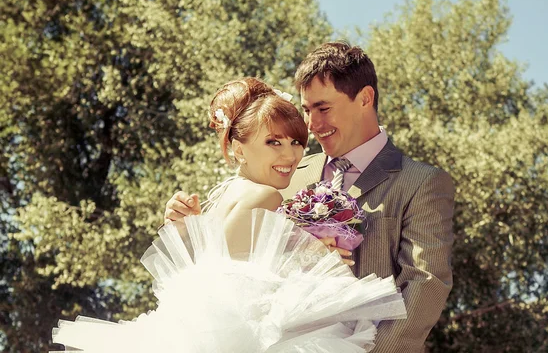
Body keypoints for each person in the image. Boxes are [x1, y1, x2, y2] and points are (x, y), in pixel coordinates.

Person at [52, 77, 407, 352]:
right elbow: (273, 287)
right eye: (274, 142)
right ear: (238, 148)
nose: (290, 156)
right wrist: (326, 255)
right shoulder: (266, 196)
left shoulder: (217, 200)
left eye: (297, 142)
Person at [166, 42, 455, 352]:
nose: (312, 125)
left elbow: (424, 284)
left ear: (365, 98)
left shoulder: (421, 182)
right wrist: (180, 224)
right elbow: (222, 264)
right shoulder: (282, 173)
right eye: (306, 110)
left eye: (323, 108)